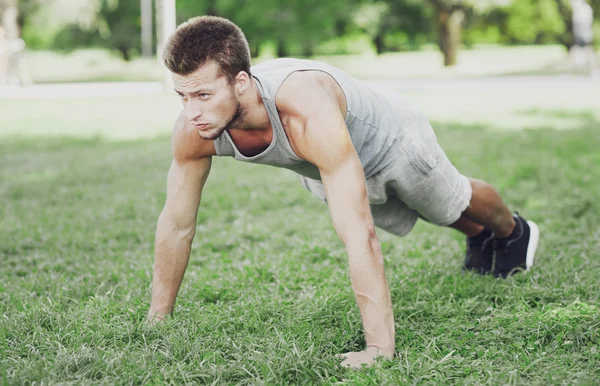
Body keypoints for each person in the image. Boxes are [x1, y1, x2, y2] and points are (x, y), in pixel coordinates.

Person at [147, 16, 540, 368]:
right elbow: (177, 225)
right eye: (182, 96)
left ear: (241, 82)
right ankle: (479, 237)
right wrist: (158, 318)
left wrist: (378, 348)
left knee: (448, 202)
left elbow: (359, 235)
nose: (191, 111)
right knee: (429, 213)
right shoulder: (193, 130)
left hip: (391, 140)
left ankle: (513, 232)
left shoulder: (303, 112)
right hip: (326, 160)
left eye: (203, 96)